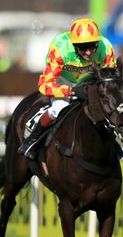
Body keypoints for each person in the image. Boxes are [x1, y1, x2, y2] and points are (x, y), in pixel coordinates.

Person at [18, 17, 116, 159]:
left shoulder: (106, 48)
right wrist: (71, 91)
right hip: (63, 80)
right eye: (83, 47)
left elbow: (110, 81)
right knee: (58, 109)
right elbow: (44, 85)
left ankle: (113, 146)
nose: (88, 52)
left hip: (89, 80)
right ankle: (32, 141)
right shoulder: (60, 48)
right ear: (74, 44)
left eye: (92, 46)